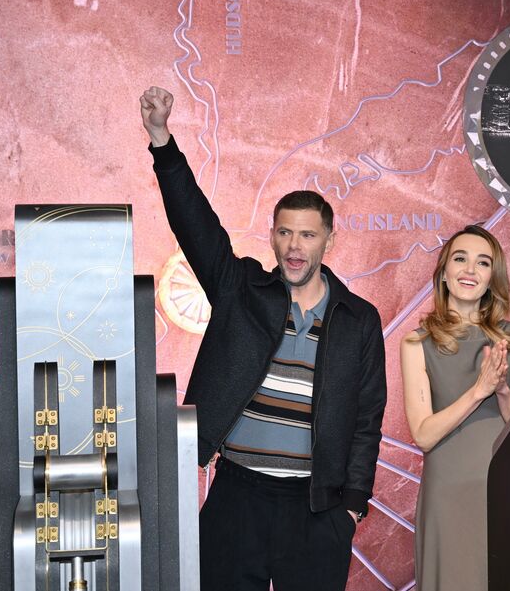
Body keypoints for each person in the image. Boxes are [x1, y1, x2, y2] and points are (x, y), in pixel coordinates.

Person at [140, 86, 387, 591]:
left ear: (329, 241)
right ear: (273, 236)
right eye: (284, 233)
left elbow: (367, 419)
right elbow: (196, 223)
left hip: (317, 509)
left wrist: (352, 508)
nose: (294, 247)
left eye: (308, 235)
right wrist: (162, 140)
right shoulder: (242, 289)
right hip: (237, 496)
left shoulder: (359, 320)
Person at [399, 225, 510, 591]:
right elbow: (424, 435)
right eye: (460, 259)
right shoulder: (416, 342)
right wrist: (478, 391)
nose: (470, 270)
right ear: (444, 272)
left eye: (483, 263)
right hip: (448, 494)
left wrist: (502, 391)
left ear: (493, 278)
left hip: (503, 489)